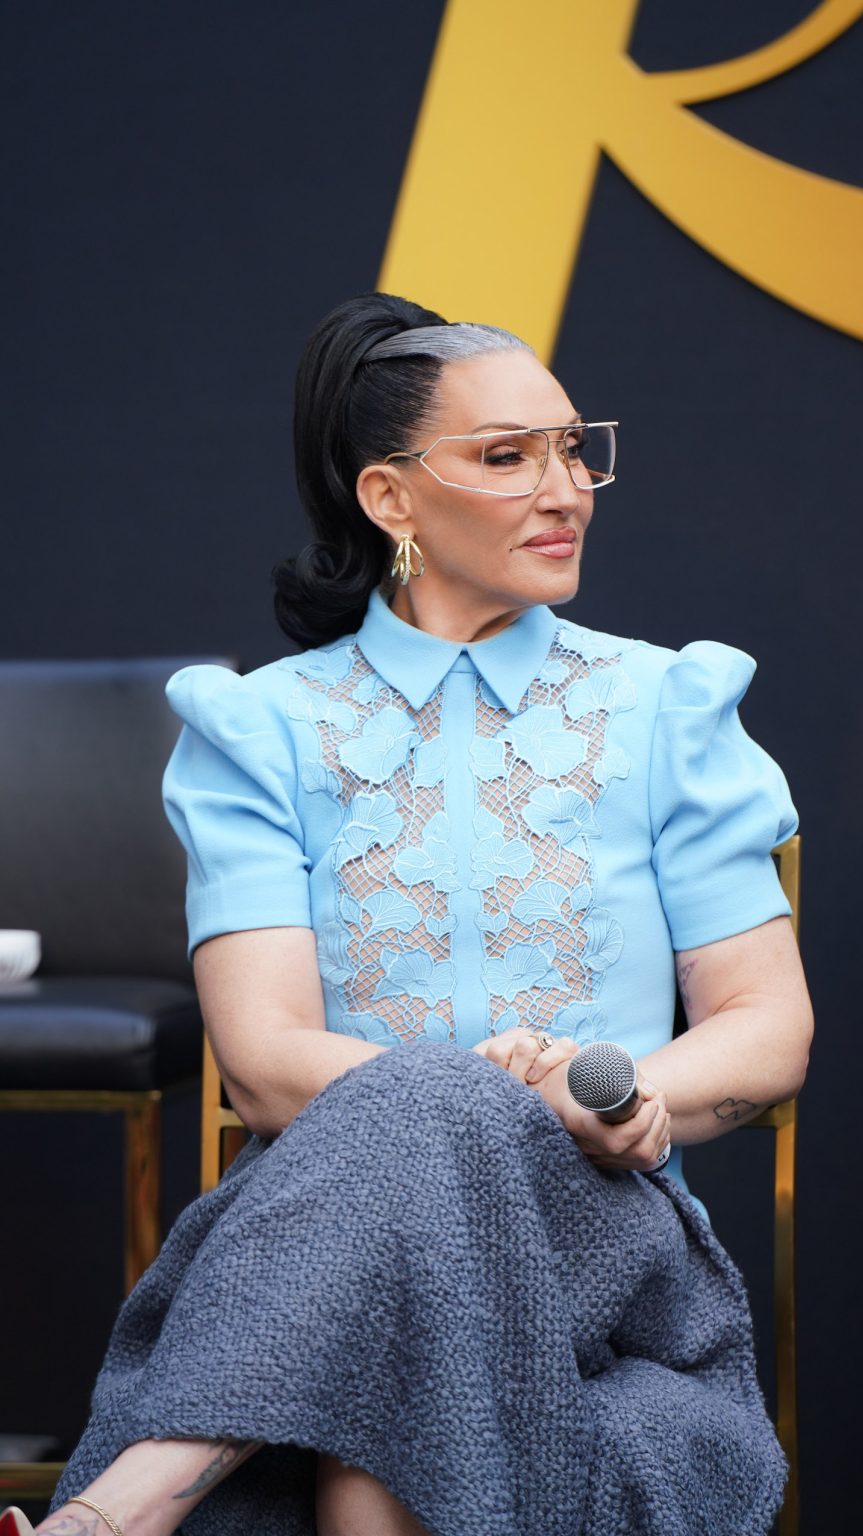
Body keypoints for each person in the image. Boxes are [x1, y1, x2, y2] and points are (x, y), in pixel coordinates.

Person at [4, 293, 813, 1536]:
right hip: (318, 1242)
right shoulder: (261, 728)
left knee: (437, 1113)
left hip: (602, 1241)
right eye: (507, 456)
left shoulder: (665, 708)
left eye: (571, 446)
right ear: (388, 498)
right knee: (428, 1151)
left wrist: (620, 1100)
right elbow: (266, 1070)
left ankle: (122, 1506)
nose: (564, 489)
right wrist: (496, 1095)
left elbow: (765, 1030)